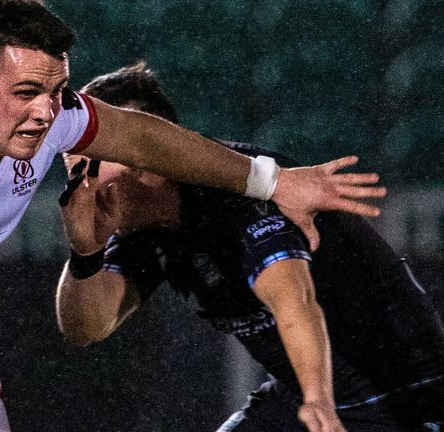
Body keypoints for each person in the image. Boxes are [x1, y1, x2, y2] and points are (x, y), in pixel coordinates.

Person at [0, 1, 385, 431]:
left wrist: (270, 180)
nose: (47, 113)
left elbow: (141, 137)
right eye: (26, 93)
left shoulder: (48, 119)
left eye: (56, 92)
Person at [55, 63, 444, 432]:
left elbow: (294, 299)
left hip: (409, 396)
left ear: (146, 159)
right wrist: (84, 251)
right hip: (298, 398)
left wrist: (317, 399)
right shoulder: (136, 223)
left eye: (88, 161)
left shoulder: (240, 191)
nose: (77, 181)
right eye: (70, 164)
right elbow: (87, 327)